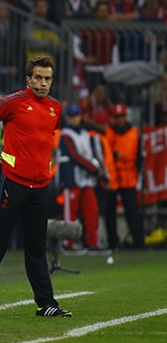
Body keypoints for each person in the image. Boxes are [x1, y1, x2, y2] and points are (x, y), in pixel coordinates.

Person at [0, 56, 72, 318]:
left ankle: (45, 304)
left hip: (40, 186)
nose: (42, 83)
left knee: (37, 248)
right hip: (12, 183)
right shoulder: (14, 102)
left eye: (47, 78)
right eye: (37, 78)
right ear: (28, 79)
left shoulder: (55, 109)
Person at [56, 104, 108, 253]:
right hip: (72, 178)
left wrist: (98, 170)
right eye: (72, 116)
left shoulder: (85, 134)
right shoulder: (65, 134)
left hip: (86, 178)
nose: (74, 119)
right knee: (70, 212)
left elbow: (90, 155)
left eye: (76, 115)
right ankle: (68, 242)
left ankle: (92, 241)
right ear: (67, 117)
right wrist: (94, 170)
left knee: (92, 210)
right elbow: (75, 156)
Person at [104, 103, 145, 249]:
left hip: (128, 177)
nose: (119, 120)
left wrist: (138, 174)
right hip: (113, 177)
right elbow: (106, 153)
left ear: (125, 117)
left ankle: (139, 242)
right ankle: (112, 242)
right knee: (109, 212)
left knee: (132, 211)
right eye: (117, 117)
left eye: (121, 116)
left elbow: (139, 157)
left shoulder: (134, 133)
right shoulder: (109, 132)